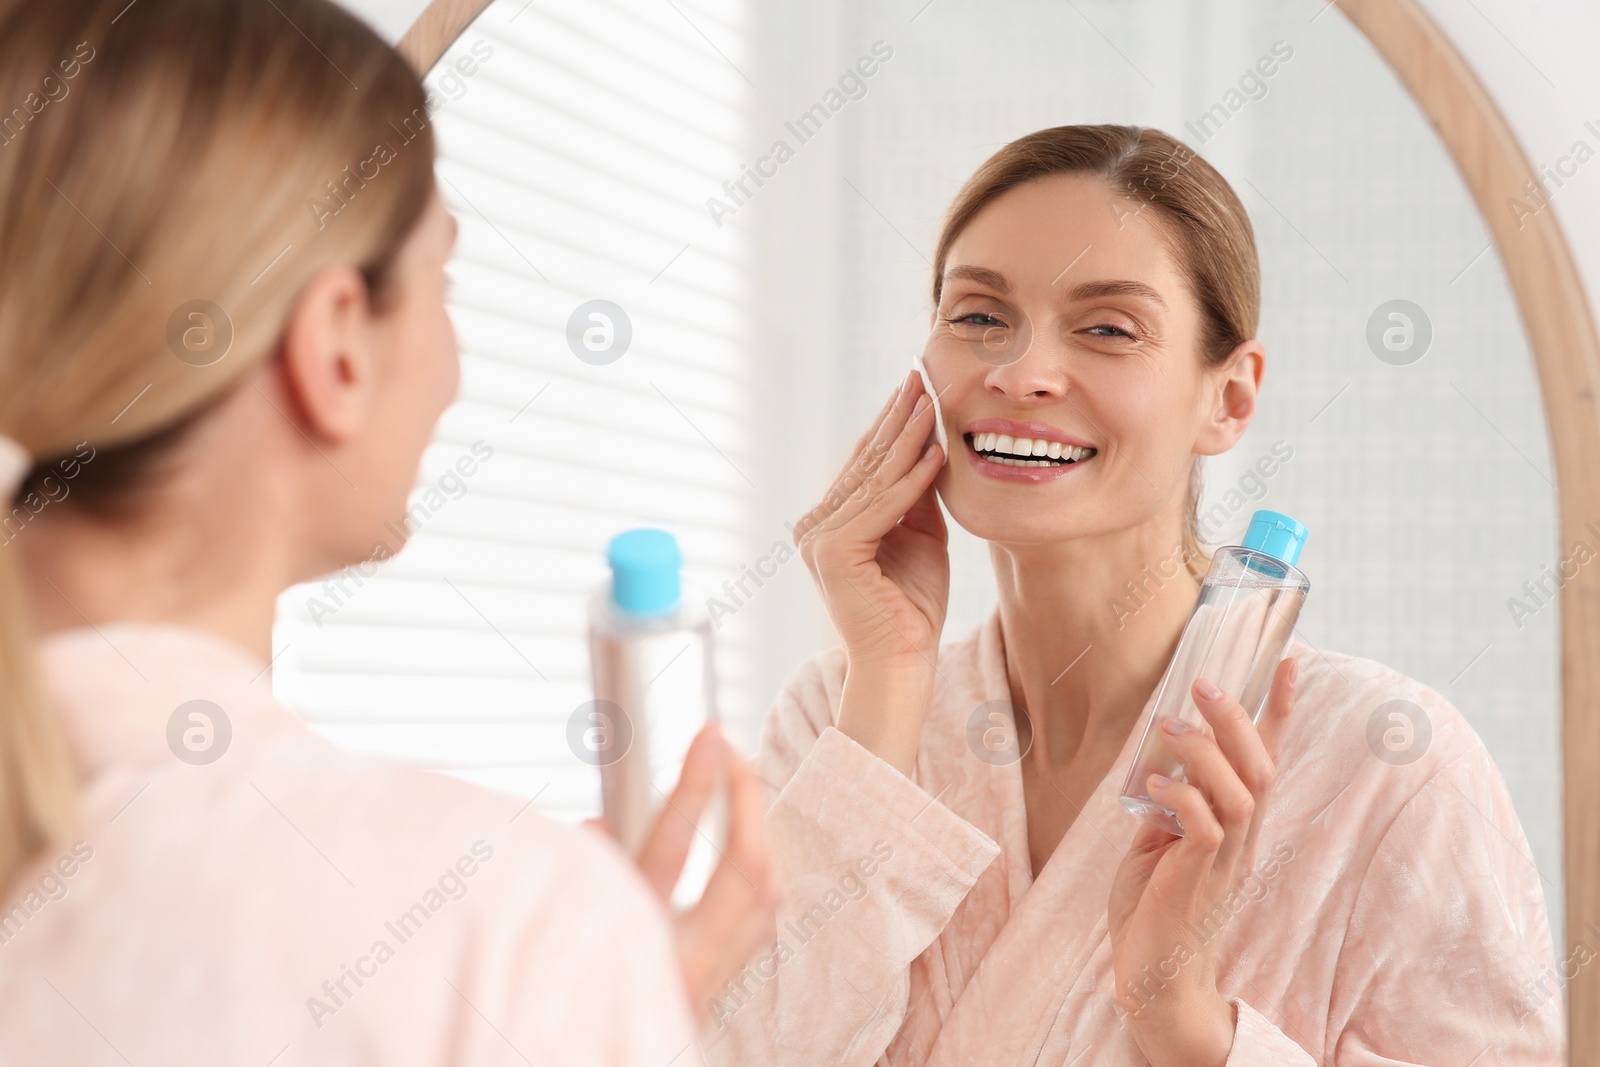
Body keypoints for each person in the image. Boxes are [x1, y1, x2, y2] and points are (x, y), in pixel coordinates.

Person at [0, 0, 776, 1063]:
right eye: (440, 281)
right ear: (335, 350)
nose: (455, 360)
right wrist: (595, 1000)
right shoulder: (497, 923)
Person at [705, 126, 1563, 1065]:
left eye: (1108, 327)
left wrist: (1191, 1026)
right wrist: (888, 673)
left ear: (1229, 399)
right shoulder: (833, 715)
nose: (1020, 372)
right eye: (979, 316)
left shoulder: (1389, 765)